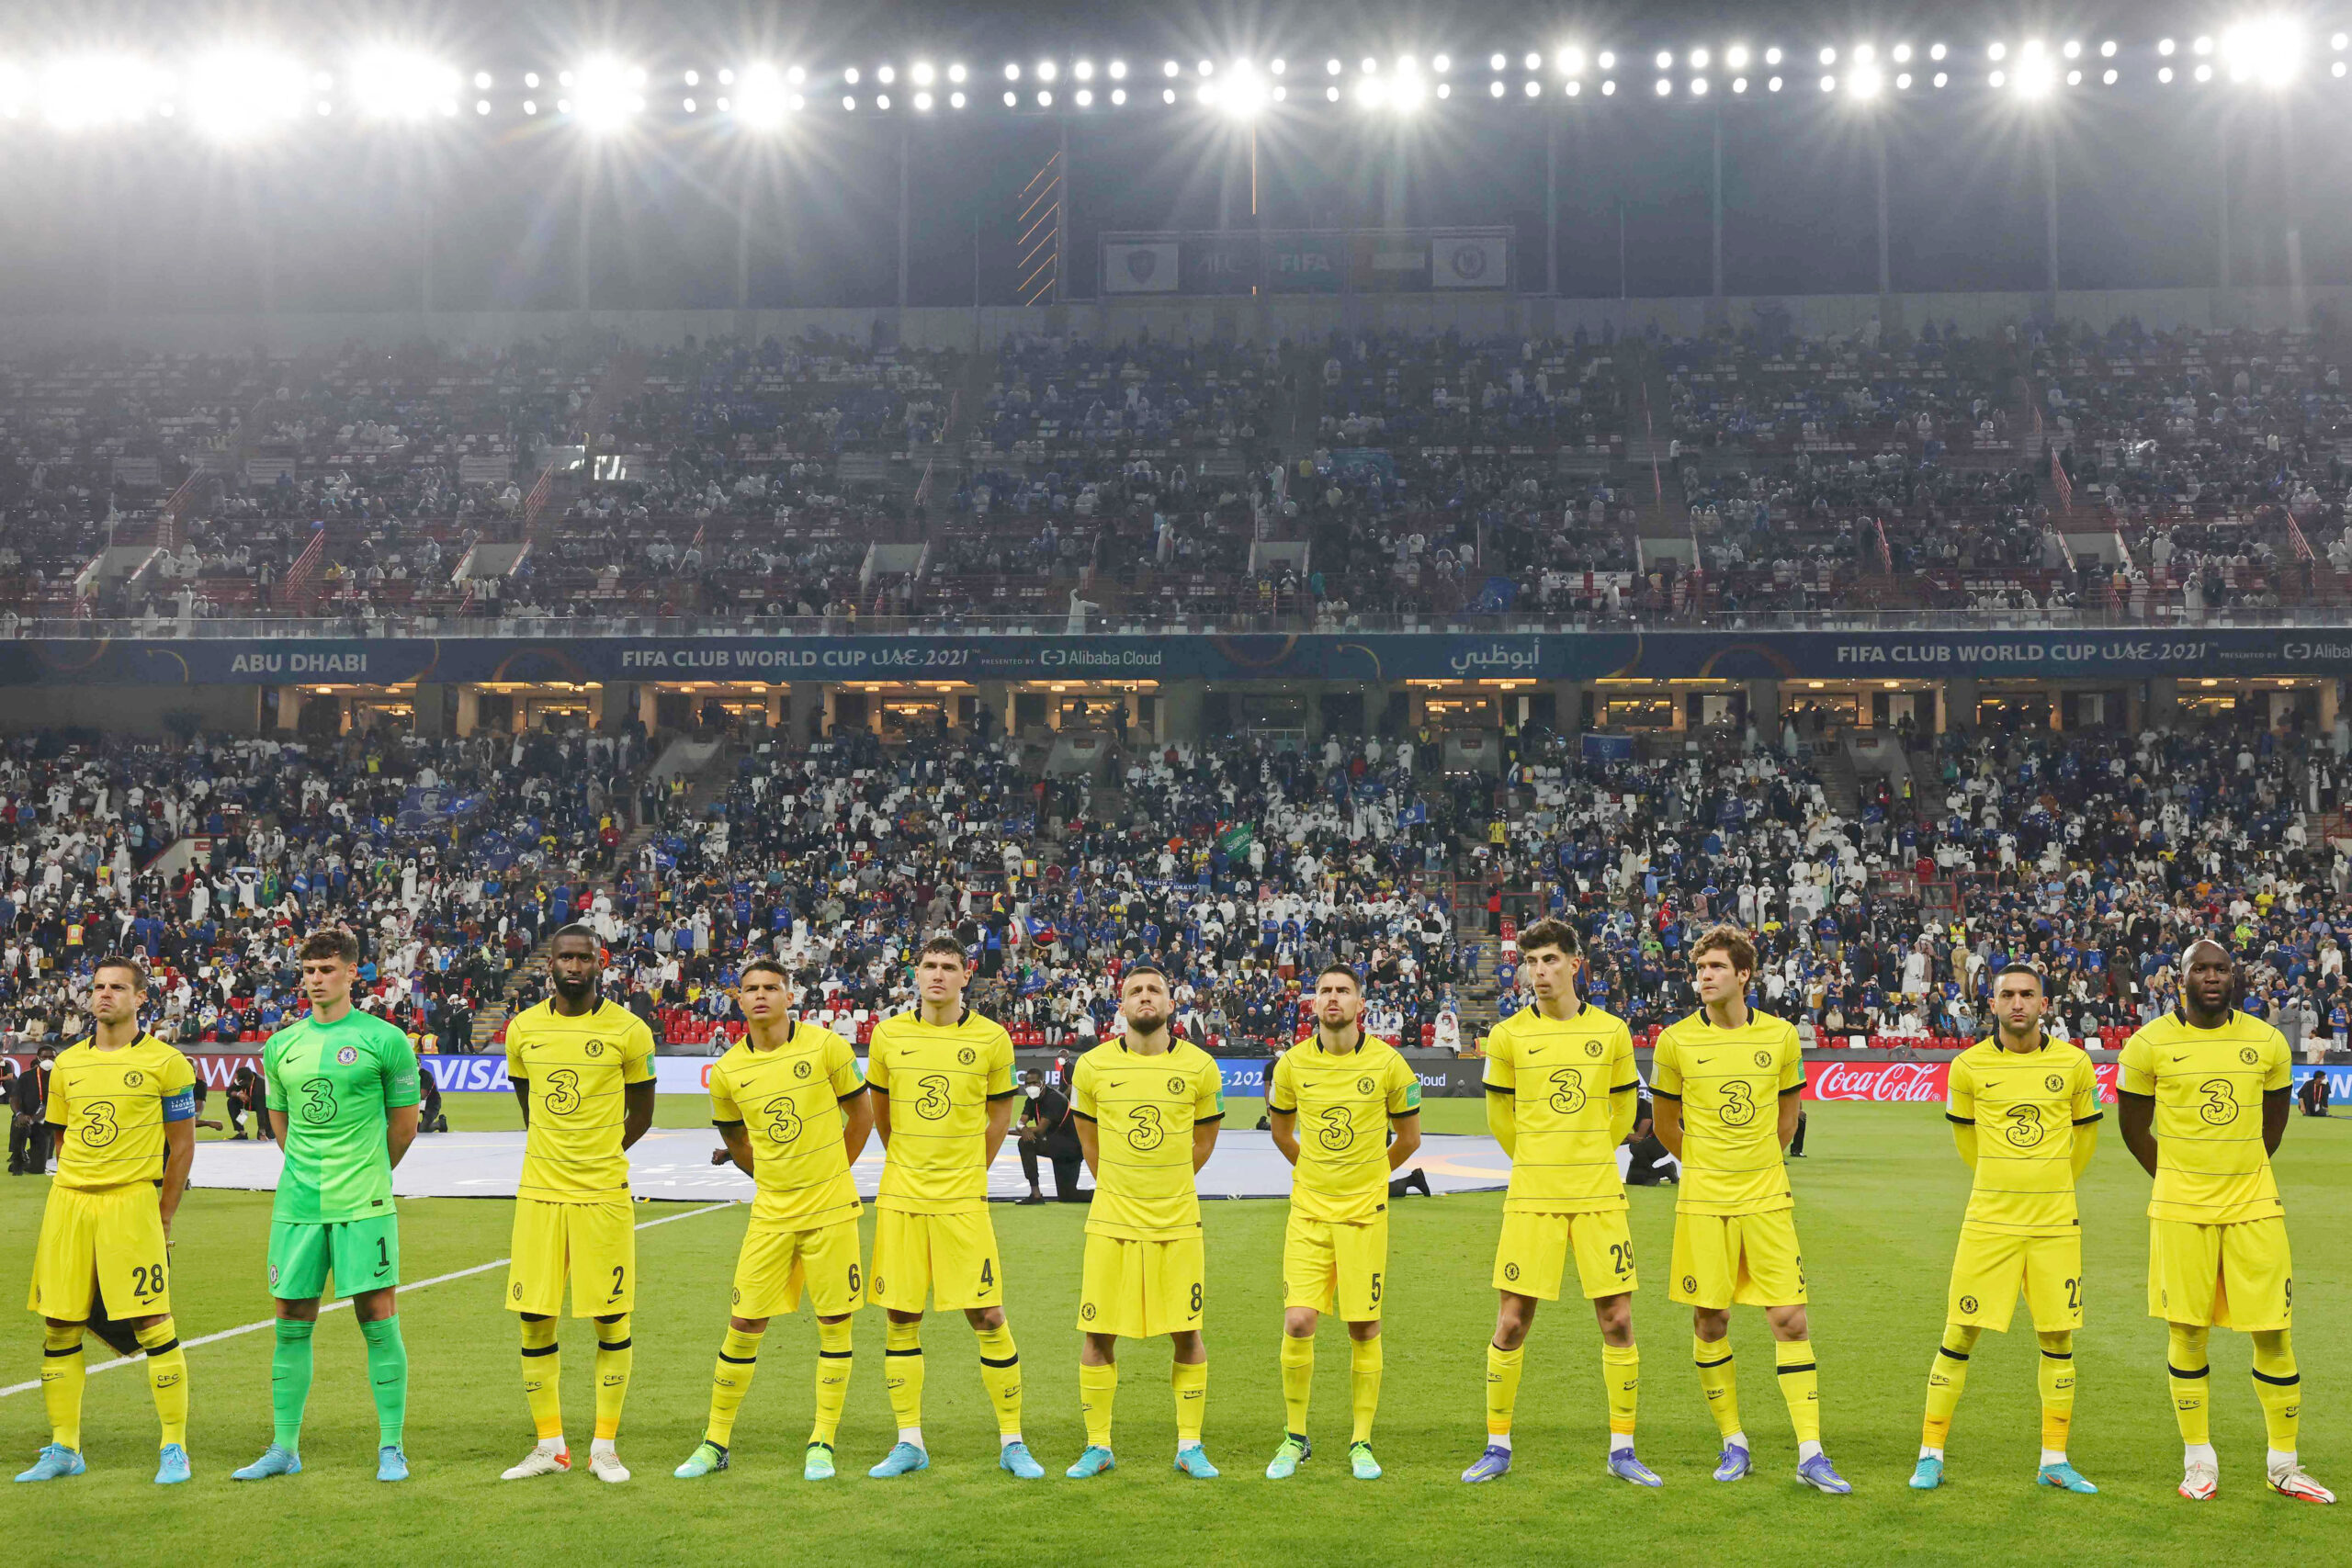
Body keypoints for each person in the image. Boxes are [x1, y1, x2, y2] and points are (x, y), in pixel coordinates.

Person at [2118, 939, 2333, 1504]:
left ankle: (2283, 1465)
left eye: (2221, 969)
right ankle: (2199, 1463)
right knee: (2187, 1333)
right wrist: (2179, 1180)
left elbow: (2276, 1124)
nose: (2212, 977)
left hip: (2255, 1207)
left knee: (2274, 1333)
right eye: (2200, 969)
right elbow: (2134, 1127)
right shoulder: (2148, 1045)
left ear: (2232, 977)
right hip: (2180, 1211)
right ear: (2179, 977)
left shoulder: (2265, 1041)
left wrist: (2236, 1174)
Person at [1651, 924, 1850, 1495]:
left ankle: (1810, 1451)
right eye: (1699, 968)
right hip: (1703, 1202)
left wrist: (1756, 1162)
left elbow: (1790, 1119)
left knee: (1789, 1319)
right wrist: (1712, 1166)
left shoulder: (1782, 1037)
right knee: (1710, 1320)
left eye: (1715, 967)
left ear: (1743, 974)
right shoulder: (1675, 1042)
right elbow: (1666, 1125)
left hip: (1766, 1200)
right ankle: (1733, 1440)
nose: (1704, 977)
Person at [1463, 918, 1656, 1486]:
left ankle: (1623, 1449)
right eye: (1531, 962)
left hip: (1598, 1196)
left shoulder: (1614, 1033)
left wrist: (1592, 1150)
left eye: (1549, 960)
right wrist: (1541, 1160)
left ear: (1576, 964)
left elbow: (1624, 1114)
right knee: (1513, 1320)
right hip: (1532, 1197)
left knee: (1617, 1320)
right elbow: (1501, 1119)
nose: (1539, 971)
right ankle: (1497, 1444)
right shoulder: (1507, 1035)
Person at [232, 927, 421, 1484]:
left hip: (363, 1202)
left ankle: (392, 1447)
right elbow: (280, 1121)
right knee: (290, 1319)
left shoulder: (384, 1039)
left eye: (327, 970)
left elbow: (404, 1128)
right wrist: (308, 1170)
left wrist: (365, 1174)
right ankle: (284, 1448)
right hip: (297, 1205)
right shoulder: (280, 1045)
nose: (316, 980)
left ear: (353, 974)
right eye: (309, 971)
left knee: (377, 1316)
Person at [676, 958, 873, 1483]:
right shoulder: (727, 1072)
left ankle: (822, 1442)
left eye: (771, 987)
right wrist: (768, 1174)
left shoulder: (826, 1046)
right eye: (751, 989)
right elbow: (735, 1137)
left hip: (831, 1211)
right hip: (771, 1214)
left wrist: (833, 1171)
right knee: (744, 1323)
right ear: (738, 1001)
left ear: (789, 996)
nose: (761, 996)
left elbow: (863, 1114)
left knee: (834, 1325)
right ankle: (715, 1442)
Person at [1909, 964, 2102, 1495]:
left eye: (2027, 995)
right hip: (1989, 1222)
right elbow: (1967, 1146)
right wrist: (2004, 1185)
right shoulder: (1968, 1067)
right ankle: (1930, 1453)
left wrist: (2049, 1186)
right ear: (1991, 1004)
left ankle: (2054, 1460)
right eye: (2007, 995)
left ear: (2045, 1004)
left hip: (2055, 1224)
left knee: (2058, 1336)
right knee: (1959, 1333)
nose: (2018, 1003)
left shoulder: (2074, 1064)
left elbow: (2083, 1144)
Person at [863, 934, 1042, 1480]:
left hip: (963, 1200)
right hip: (902, 1198)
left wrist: (966, 1172)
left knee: (987, 1315)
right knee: (901, 1315)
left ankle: (1012, 1440)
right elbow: (883, 1116)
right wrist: (914, 1166)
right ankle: (909, 1441)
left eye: (948, 966)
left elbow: (997, 1118)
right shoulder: (888, 1035)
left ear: (966, 976)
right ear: (916, 975)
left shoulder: (992, 1039)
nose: (937, 974)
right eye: (928, 966)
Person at [17, 955, 198, 1485]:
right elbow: (61, 1136)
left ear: (141, 998)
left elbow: (181, 1149)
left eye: (118, 987)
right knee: (60, 1322)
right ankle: (64, 1447)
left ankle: (173, 1447)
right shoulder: (67, 1065)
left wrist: (162, 1217)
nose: (105, 995)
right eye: (98, 987)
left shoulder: (168, 1063)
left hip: (131, 1204)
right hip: (69, 1203)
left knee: (151, 1322)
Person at [498, 925, 657, 1483]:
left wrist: (599, 1152)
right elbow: (527, 1100)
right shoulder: (523, 1029)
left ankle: (604, 1447)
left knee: (611, 1317)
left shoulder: (629, 1031)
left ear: (600, 963)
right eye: (564, 957)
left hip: (602, 1196)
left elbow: (643, 1112)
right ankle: (550, 1446)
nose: (573, 966)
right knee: (534, 1317)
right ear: (550, 964)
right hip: (540, 1194)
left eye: (582, 957)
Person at [1062, 964, 1225, 1480]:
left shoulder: (1201, 1068)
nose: (1146, 997)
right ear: (1122, 1003)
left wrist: (1163, 1182)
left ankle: (1190, 1446)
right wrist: (1124, 1184)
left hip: (1177, 1223)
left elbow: (1201, 1145)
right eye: (1136, 990)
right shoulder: (1090, 1066)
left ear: (1171, 1004)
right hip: (1111, 1221)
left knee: (1187, 1332)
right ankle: (1098, 1445)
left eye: (1156, 988)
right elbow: (1090, 1143)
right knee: (1097, 1334)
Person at [1263, 962, 1422, 1483]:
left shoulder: (1389, 1064)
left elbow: (1410, 1139)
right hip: (1309, 1213)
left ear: (1360, 1003)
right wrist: (1313, 1172)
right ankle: (1295, 1436)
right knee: (1298, 1321)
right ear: (1314, 1003)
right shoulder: (1290, 1065)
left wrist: (1371, 1178)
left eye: (1343, 991)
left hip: (1363, 1216)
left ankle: (1360, 1441)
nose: (1333, 998)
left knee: (1363, 1326)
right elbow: (1283, 1133)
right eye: (1325, 991)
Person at [1016, 1069, 1084, 1204]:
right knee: (1068, 1196)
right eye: (1028, 1084)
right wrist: (1022, 1128)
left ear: (1043, 1083)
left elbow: (1040, 1129)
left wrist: (1023, 1129)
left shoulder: (1055, 1099)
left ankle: (1106, 1196)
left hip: (1071, 1148)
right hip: (1055, 1144)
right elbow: (1020, 1122)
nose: (1031, 1087)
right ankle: (1035, 1195)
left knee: (1069, 1196)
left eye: (1035, 1083)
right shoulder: (1031, 1100)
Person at [226, 1060, 269, 1141]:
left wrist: (262, 1133)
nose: (238, 1083)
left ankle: (265, 1133)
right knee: (231, 1101)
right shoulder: (241, 1079)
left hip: (264, 1106)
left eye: (241, 1083)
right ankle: (242, 1133)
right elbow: (228, 1092)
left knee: (266, 1137)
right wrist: (238, 1094)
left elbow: (261, 1111)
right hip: (247, 1103)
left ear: (247, 1081)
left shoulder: (260, 1086)